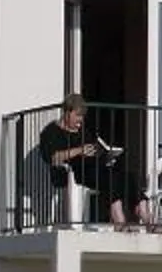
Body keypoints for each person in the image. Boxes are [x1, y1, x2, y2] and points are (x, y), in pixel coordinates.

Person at [35, 97, 143, 227]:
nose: (80, 120)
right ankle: (120, 223)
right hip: (76, 173)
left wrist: (106, 155)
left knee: (128, 177)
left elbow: (92, 148)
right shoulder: (51, 132)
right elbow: (53, 157)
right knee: (109, 179)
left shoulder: (83, 131)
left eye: (82, 116)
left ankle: (149, 221)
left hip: (96, 168)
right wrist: (79, 150)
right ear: (67, 112)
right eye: (78, 116)